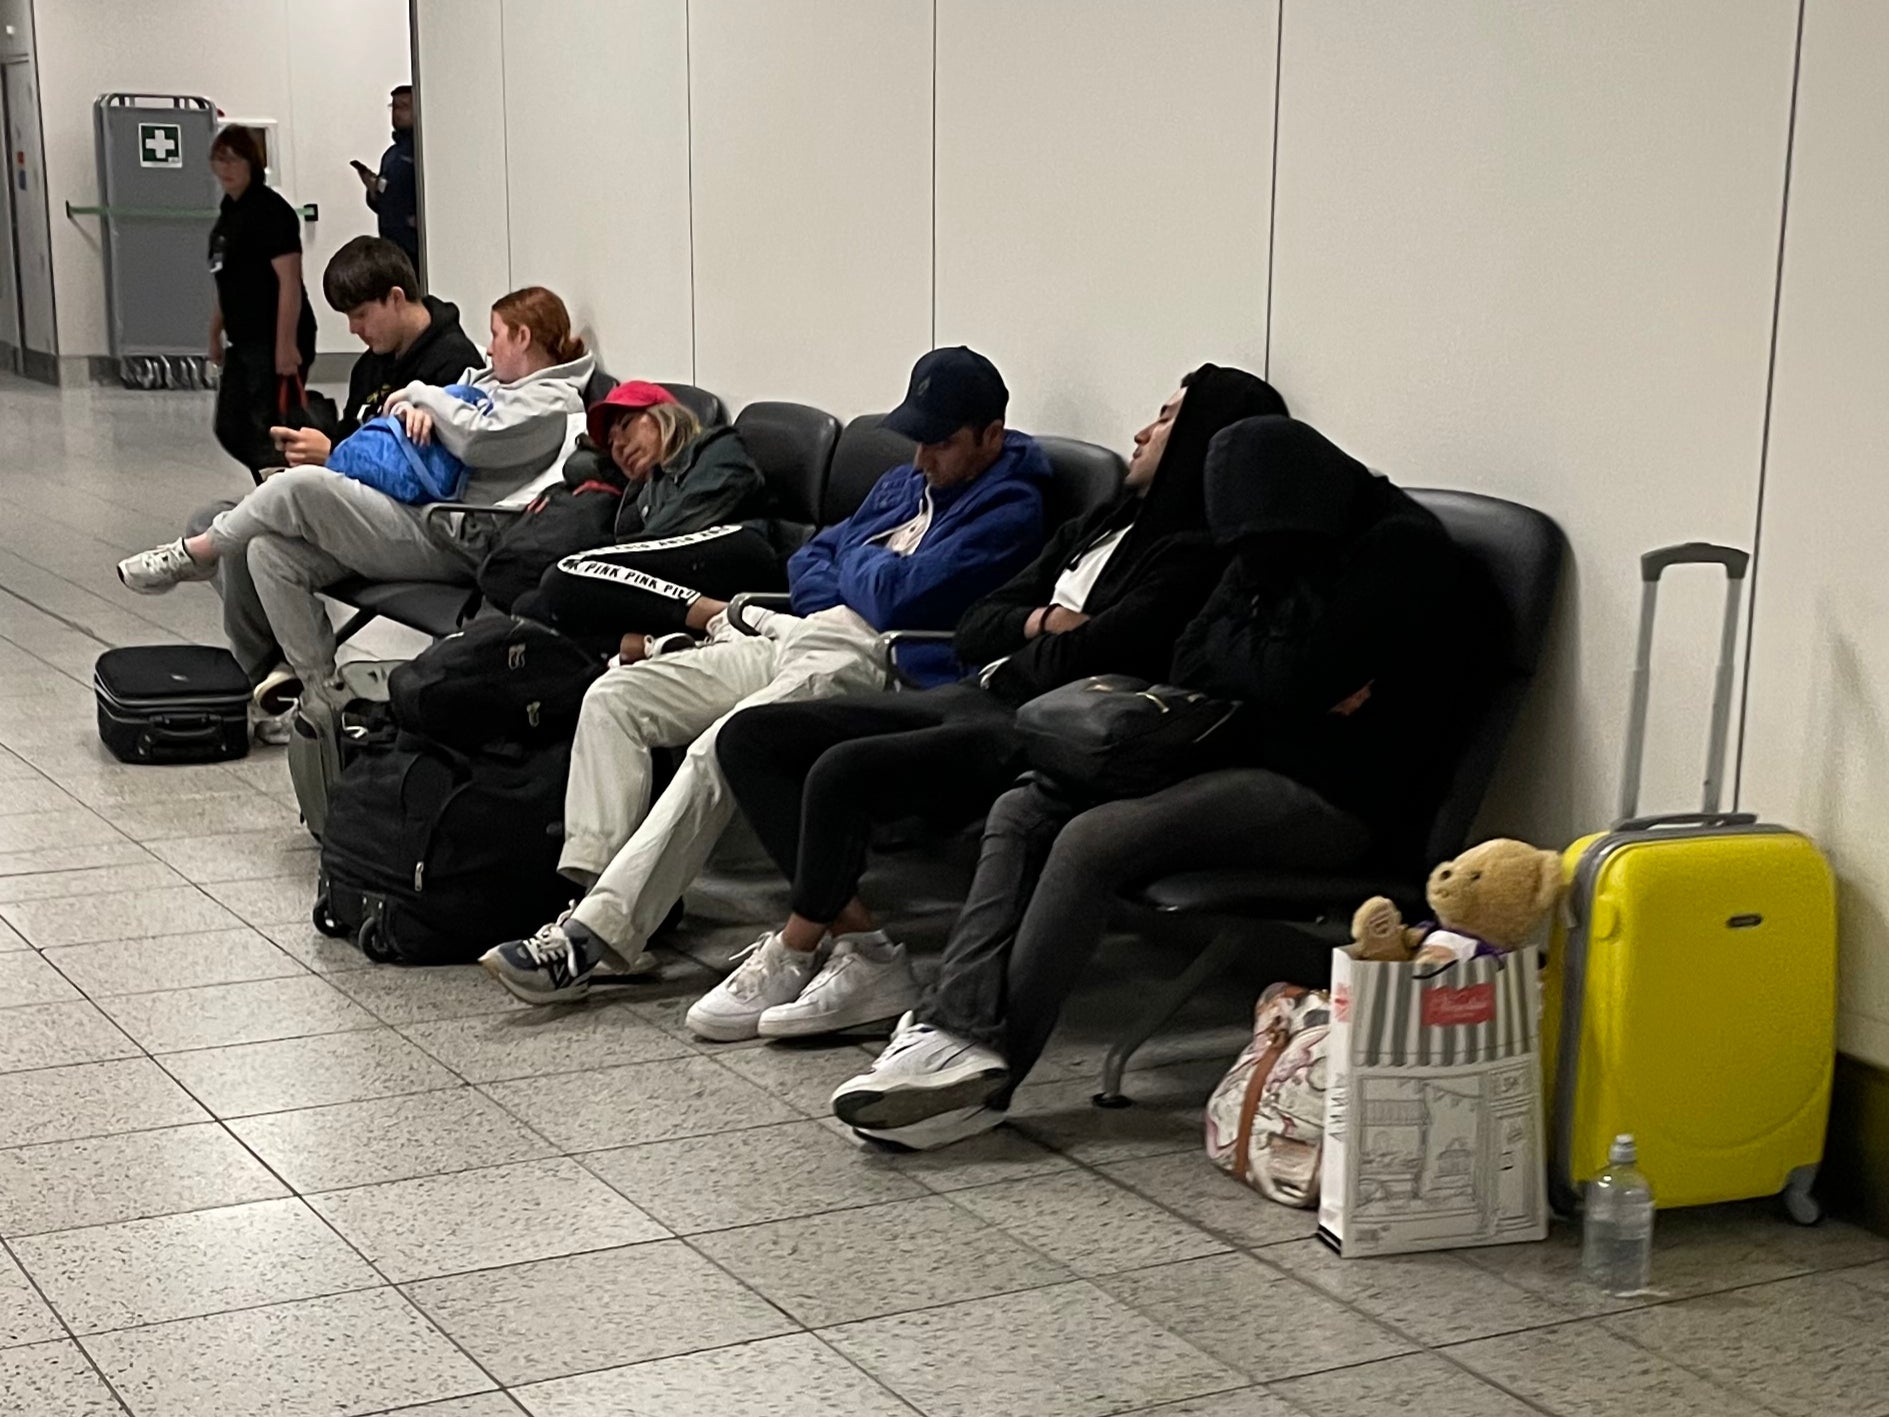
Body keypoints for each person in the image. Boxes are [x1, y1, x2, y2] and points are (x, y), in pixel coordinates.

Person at [827, 416, 1503, 1150]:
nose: (1247, 563)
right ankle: (953, 1028)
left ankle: (989, 1073)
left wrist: (1273, 668)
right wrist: (1288, 677)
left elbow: (1287, 671)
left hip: (1337, 797)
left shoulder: (1402, 556)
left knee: (1091, 838)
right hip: (1243, 751)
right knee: (1026, 803)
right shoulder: (1270, 530)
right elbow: (1193, 657)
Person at [709, 365, 1287, 1042]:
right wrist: (1041, 623)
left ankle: (804, 942)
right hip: (978, 687)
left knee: (840, 769)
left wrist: (1027, 632)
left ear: (1202, 440)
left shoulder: (1192, 555)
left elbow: (1098, 657)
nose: (1139, 432)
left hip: (1044, 724)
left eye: (1163, 419)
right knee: (749, 737)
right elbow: (979, 621)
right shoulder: (1105, 522)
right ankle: (859, 943)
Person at [478, 347, 1051, 1010]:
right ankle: (608, 903)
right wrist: (859, 570)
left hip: (877, 660)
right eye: (917, 440)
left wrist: (857, 565)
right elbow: (810, 560)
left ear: (991, 434)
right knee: (617, 695)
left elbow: (900, 601)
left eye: (942, 444)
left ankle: (588, 938)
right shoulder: (905, 484)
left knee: (722, 742)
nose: (922, 458)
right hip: (799, 631)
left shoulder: (1009, 508)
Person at [116, 285, 594, 716]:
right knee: (269, 554)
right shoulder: (496, 382)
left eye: (497, 336)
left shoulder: (554, 402)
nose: (489, 347)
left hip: (456, 536)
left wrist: (422, 399)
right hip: (420, 516)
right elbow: (421, 406)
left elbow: (474, 437)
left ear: (524, 337)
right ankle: (320, 694)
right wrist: (415, 405)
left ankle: (199, 552)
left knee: (302, 485)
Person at [500, 380, 784, 644]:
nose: (618, 446)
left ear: (663, 416)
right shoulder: (643, 493)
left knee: (567, 573)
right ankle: (653, 646)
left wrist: (621, 556)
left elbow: (700, 509)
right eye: (610, 444)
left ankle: (727, 615)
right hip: (683, 577)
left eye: (625, 426)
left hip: (734, 551)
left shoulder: (714, 445)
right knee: (533, 605)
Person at [207, 125, 317, 477]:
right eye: (219, 159)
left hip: (275, 336)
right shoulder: (229, 214)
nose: (226, 168)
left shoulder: (271, 212)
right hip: (244, 338)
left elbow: (289, 282)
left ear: (251, 163)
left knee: (267, 426)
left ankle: (283, 494)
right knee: (231, 426)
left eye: (234, 159)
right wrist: (215, 333)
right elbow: (227, 280)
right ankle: (274, 489)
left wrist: (285, 346)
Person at [356, 85, 419, 268]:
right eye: (394, 107)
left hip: (418, 250)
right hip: (393, 249)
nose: (397, 113)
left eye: (404, 106)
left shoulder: (425, 151)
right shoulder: (391, 155)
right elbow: (386, 202)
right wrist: (372, 189)